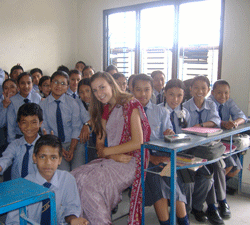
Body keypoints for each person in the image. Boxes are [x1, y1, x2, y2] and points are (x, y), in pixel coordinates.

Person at [71, 72, 151, 224]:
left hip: (133, 160)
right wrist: (111, 155)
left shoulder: (130, 104)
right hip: (113, 159)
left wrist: (108, 152)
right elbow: (99, 146)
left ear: (111, 85)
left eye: (102, 87)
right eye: (95, 90)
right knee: (75, 177)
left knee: (90, 184)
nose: (99, 93)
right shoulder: (105, 109)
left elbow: (137, 143)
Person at [132, 75, 189, 225]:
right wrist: (149, 158)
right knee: (155, 177)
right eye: (138, 90)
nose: (143, 94)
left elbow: (168, 135)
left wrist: (169, 135)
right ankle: (165, 222)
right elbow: (127, 142)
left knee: (171, 177)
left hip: (160, 154)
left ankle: (184, 221)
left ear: (153, 91)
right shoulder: (126, 112)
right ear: (131, 90)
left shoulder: (161, 112)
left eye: (147, 90)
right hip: (137, 156)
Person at [5, 134, 89, 225]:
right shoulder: (23, 186)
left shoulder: (68, 179)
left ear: (60, 160)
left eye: (53, 157)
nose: (48, 163)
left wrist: (72, 219)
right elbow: (12, 221)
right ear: (34, 158)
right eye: (42, 157)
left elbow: (71, 208)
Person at [183, 75, 224, 225]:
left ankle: (198, 207)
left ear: (208, 90)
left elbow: (216, 121)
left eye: (203, 88)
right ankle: (191, 209)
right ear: (191, 89)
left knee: (209, 176)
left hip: (207, 148)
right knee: (196, 177)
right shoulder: (185, 106)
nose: (200, 91)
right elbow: (184, 127)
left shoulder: (211, 104)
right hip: (190, 149)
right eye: (196, 88)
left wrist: (199, 126)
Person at [0, 103, 42, 180]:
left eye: (33, 122)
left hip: (38, 187)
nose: (29, 127)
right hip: (17, 187)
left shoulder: (45, 145)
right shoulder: (15, 144)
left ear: (40, 123)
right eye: (24, 122)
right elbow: (4, 161)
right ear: (19, 124)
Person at [40, 70, 84, 171]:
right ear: (50, 84)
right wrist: (60, 148)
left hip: (75, 142)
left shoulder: (73, 103)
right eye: (55, 82)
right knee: (64, 174)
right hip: (55, 144)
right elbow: (45, 129)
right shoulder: (42, 105)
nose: (59, 86)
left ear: (67, 87)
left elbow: (76, 127)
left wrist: (72, 149)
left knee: (78, 171)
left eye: (63, 83)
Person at [209, 79, 247, 195]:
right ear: (212, 92)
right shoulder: (209, 103)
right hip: (213, 141)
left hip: (225, 139)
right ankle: (215, 189)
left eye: (226, 93)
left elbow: (242, 117)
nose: (223, 96)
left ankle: (217, 187)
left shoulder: (229, 102)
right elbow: (213, 120)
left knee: (237, 169)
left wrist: (235, 123)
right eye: (219, 92)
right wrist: (224, 123)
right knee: (229, 165)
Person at [7, 72, 41, 143]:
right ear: (17, 85)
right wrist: (12, 142)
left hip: (35, 135)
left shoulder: (37, 97)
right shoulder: (13, 101)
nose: (26, 86)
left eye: (29, 83)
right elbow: (11, 125)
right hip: (19, 136)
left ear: (32, 84)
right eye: (22, 83)